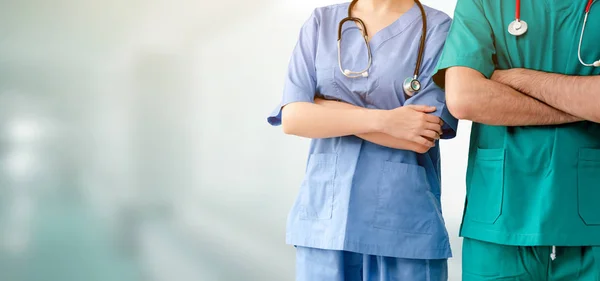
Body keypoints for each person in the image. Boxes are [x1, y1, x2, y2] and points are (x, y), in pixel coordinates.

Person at [267, 0, 458, 280]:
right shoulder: (321, 22)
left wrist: (324, 110)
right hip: (325, 223)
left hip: (404, 222)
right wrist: (388, 121)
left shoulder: (438, 29)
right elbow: (294, 118)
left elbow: (422, 133)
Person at [433, 0, 600, 280]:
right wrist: (582, 104)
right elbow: (465, 98)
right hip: (500, 221)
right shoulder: (483, 3)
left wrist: (521, 79)